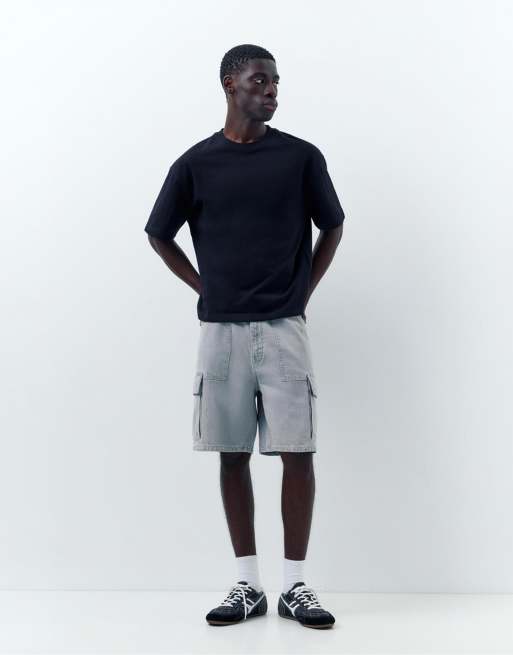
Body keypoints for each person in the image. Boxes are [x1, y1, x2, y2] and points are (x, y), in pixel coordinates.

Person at [144, 44, 345, 629]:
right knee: (231, 454)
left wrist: (302, 291)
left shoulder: (300, 158)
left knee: (298, 453)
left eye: (276, 82)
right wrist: (203, 286)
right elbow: (158, 233)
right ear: (230, 84)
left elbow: (332, 224)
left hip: (284, 327)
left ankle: (295, 585)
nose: (272, 90)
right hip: (221, 331)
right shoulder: (195, 164)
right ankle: (248, 584)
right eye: (260, 80)